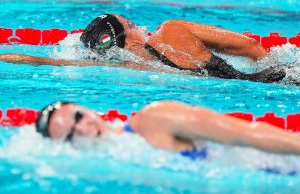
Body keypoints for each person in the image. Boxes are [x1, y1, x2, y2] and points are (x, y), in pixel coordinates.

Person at [0, 14, 287, 83]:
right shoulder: (172, 31)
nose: (142, 28)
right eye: (134, 24)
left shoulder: (126, 66)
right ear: (131, 35)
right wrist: (269, 68)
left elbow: (45, 62)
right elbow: (251, 45)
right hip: (280, 77)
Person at [36, 100, 300, 158]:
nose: (83, 128)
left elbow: (245, 134)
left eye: (79, 116)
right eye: (71, 134)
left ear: (89, 108)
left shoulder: (154, 118)